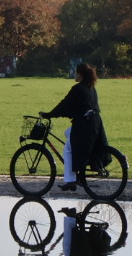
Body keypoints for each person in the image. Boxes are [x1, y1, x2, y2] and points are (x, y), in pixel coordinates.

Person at [41, 62, 108, 193]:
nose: (74, 75)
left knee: (67, 149)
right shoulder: (91, 88)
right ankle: (80, 173)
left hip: (84, 125)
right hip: (95, 123)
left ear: (80, 74)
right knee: (68, 134)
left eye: (76, 73)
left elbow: (64, 105)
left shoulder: (78, 89)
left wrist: (49, 114)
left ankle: (70, 180)